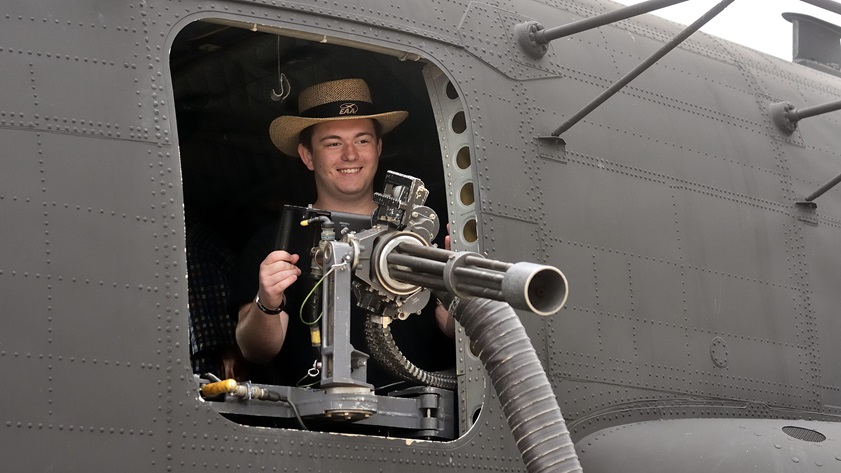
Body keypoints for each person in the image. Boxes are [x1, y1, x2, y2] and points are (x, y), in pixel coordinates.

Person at [233, 78, 454, 388]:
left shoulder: (421, 235)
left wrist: (459, 300)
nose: (350, 155)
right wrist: (267, 301)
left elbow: (453, 329)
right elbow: (255, 350)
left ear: (378, 148)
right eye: (333, 143)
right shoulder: (275, 243)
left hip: (421, 425)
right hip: (310, 426)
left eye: (362, 140)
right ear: (308, 155)